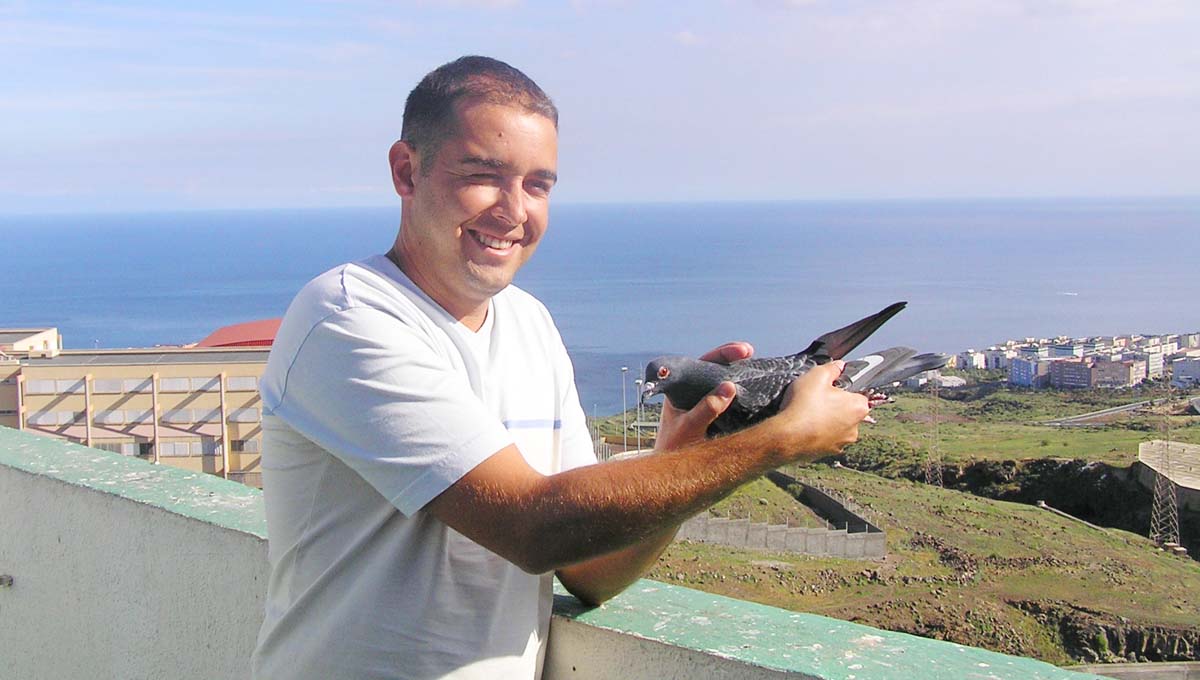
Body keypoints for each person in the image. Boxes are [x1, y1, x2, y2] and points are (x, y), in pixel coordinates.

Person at [250, 56, 869, 680]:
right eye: (483, 175)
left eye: (538, 184)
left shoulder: (529, 324)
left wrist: (685, 453)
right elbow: (535, 528)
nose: (515, 211)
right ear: (406, 171)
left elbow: (588, 571)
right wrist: (775, 442)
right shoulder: (350, 317)